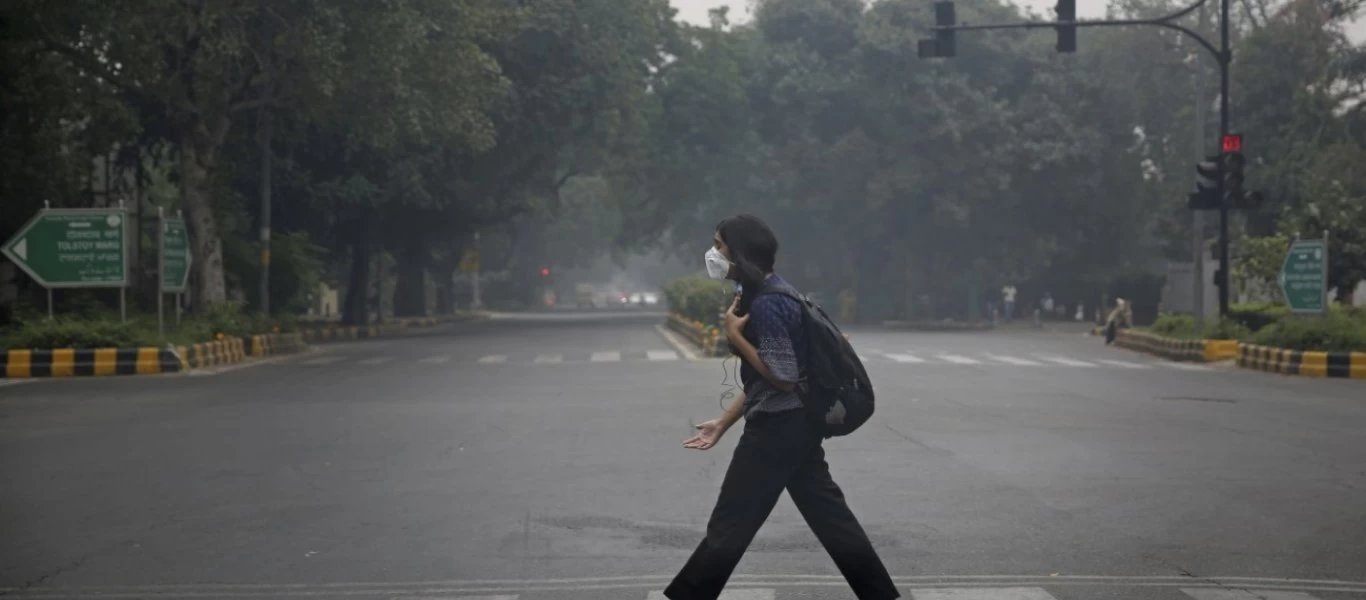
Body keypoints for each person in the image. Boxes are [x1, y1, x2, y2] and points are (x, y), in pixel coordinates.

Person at [664, 214, 900, 600]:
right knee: (831, 519)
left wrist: (736, 339)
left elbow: (783, 376)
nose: (713, 253)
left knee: (731, 523)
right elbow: (769, 381)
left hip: (778, 429)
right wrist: (723, 422)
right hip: (796, 424)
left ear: (738, 253)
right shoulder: (774, 291)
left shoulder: (769, 303)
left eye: (719, 245)